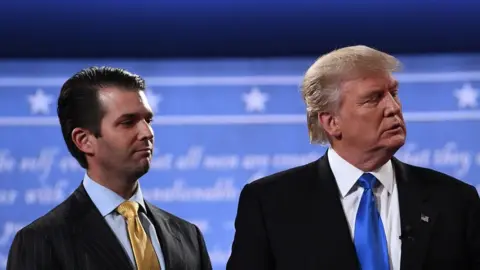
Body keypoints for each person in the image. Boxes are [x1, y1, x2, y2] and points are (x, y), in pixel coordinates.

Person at [226, 45, 480, 270]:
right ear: (332, 122)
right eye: (374, 98)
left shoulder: (456, 201)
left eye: (394, 93)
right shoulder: (270, 204)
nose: (393, 107)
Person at [7, 66, 212, 270]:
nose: (147, 132)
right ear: (84, 140)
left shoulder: (189, 236)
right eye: (128, 122)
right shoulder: (41, 241)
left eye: (148, 120)